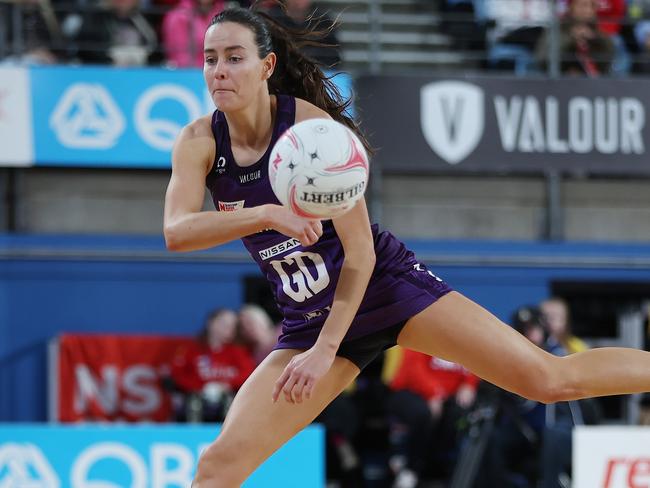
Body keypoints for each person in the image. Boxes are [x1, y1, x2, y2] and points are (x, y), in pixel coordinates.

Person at [162, 6, 650, 486]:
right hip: (308, 317)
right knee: (216, 468)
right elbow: (176, 231)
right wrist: (267, 213)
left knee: (546, 379)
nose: (218, 71)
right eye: (209, 59)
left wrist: (325, 351)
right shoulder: (200, 141)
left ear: (266, 66)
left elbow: (360, 254)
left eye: (233, 57)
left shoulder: (309, 131)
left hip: (384, 289)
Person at [388, 351, 479, 487]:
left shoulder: (470, 338)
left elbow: (478, 362)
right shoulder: (423, 333)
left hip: (446, 398)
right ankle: (409, 468)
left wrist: (470, 384)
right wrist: (433, 393)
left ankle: (433, 471)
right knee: (424, 414)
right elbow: (414, 369)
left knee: (456, 416)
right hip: (410, 390)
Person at [169, 308, 255, 422]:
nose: (229, 329)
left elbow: (249, 375)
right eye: (224, 324)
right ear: (211, 323)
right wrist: (201, 388)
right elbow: (177, 375)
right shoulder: (191, 350)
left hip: (227, 399)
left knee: (230, 401)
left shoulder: (239, 352)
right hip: (196, 399)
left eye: (233, 325)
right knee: (193, 402)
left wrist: (225, 386)